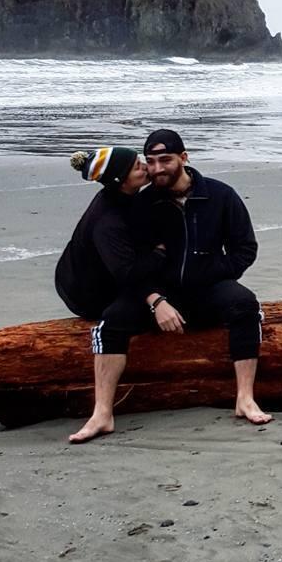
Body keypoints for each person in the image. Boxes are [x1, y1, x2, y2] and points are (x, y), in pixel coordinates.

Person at [139, 128, 272, 425]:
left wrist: (208, 273)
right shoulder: (144, 203)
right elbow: (131, 263)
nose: (157, 168)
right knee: (113, 317)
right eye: (150, 161)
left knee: (245, 304)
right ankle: (102, 411)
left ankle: (245, 398)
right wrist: (156, 299)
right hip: (160, 295)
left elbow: (244, 249)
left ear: (184, 158)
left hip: (209, 288)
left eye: (165, 159)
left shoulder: (220, 195)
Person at [55, 146, 165, 443]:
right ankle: (102, 413)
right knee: (115, 320)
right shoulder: (108, 221)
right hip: (87, 292)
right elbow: (127, 275)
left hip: (106, 273)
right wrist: (158, 256)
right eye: (136, 166)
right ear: (119, 180)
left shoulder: (126, 197)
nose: (145, 167)